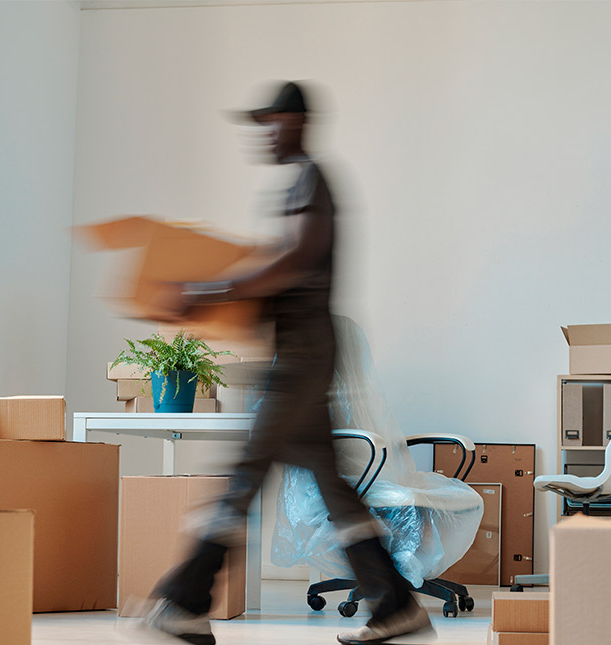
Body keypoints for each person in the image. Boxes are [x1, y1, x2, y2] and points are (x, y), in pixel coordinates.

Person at [142, 81, 433, 645]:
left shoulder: (311, 180)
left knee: (246, 472)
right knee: (332, 486)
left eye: (271, 121)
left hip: (302, 359)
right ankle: (395, 604)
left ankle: (185, 599)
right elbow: (281, 266)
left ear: (296, 121)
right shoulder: (302, 183)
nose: (264, 134)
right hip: (299, 354)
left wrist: (212, 289)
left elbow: (296, 259)